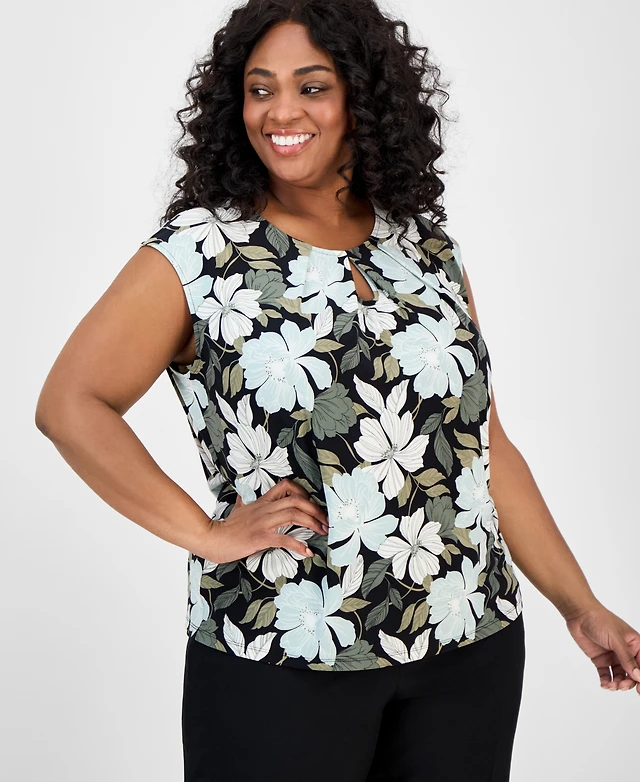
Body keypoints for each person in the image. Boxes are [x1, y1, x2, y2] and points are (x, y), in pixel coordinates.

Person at [35, 0, 640, 780]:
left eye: (311, 86)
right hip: (284, 651)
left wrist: (579, 604)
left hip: (470, 643)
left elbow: (482, 447)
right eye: (260, 89)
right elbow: (71, 404)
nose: (280, 111)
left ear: (363, 97)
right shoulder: (199, 252)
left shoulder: (423, 246)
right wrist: (206, 534)